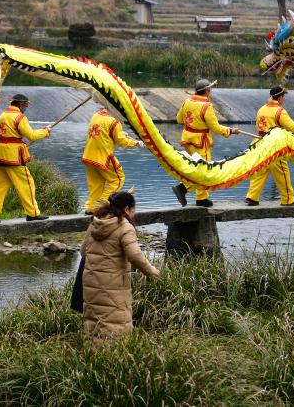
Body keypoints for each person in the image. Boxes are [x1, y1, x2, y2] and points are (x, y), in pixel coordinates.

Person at [81, 191, 160, 337]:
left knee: (94, 319)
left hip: (91, 281)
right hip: (114, 283)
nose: (134, 213)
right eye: (133, 209)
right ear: (126, 210)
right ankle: (116, 356)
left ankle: (93, 354)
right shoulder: (124, 226)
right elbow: (134, 255)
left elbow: (83, 252)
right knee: (116, 320)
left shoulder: (95, 222)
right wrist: (151, 270)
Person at [0, 93, 51, 223]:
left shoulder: (3, 115)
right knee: (27, 184)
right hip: (13, 156)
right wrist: (45, 131)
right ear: (21, 104)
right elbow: (31, 135)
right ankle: (32, 213)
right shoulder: (19, 117)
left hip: (0, 153)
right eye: (26, 105)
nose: (26, 107)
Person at [245, 86, 294, 206]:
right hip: (274, 146)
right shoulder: (279, 111)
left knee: (261, 171)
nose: (284, 98)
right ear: (281, 97)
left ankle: (252, 196)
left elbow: (258, 126)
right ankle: (288, 199)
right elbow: (292, 127)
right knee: (282, 172)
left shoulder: (262, 109)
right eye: (284, 96)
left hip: (260, 143)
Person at [171, 78, 237, 207]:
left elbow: (179, 119)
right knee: (204, 169)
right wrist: (230, 130)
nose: (211, 92)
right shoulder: (207, 106)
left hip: (187, 138)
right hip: (201, 141)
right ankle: (193, 194)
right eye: (210, 90)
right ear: (207, 91)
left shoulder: (187, 102)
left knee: (194, 168)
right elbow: (216, 129)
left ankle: (191, 192)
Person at [82, 107, 143, 214]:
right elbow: (121, 142)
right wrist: (136, 143)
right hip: (104, 157)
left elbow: (102, 134)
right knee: (118, 179)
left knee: (96, 185)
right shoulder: (114, 122)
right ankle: (102, 204)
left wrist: (119, 133)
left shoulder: (96, 116)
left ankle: (91, 208)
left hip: (89, 156)